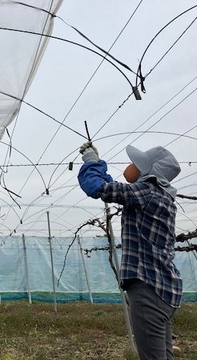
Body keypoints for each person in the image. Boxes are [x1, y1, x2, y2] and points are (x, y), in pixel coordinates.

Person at [78, 142, 182, 360]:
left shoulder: (147, 192)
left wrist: (91, 162)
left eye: (136, 162)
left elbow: (98, 188)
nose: (131, 165)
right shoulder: (160, 196)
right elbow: (117, 189)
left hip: (148, 288)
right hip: (164, 289)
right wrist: (98, 164)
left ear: (148, 171)